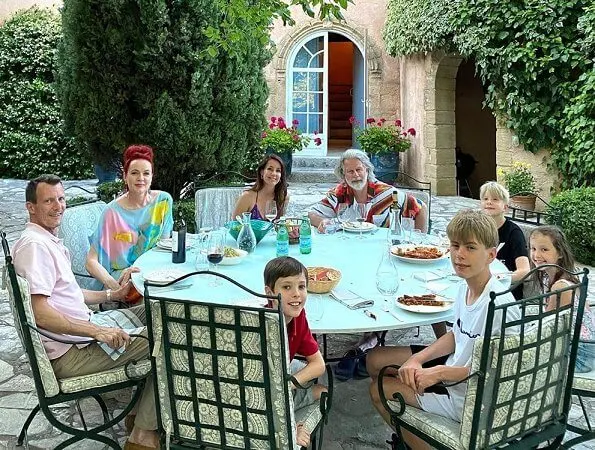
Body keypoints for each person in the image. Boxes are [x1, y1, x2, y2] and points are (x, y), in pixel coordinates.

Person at [12, 174, 158, 450]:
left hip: (80, 334)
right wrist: (99, 331)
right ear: (30, 207)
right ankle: (142, 435)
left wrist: (111, 295)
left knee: (156, 313)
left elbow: (66, 294)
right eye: (48, 201)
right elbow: (40, 313)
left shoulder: (45, 240)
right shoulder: (35, 247)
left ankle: (137, 415)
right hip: (71, 352)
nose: (58, 206)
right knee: (166, 338)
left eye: (61, 198)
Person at [367, 210, 520, 449]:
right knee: (375, 360)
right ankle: (408, 430)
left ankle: (416, 441)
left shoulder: (498, 305)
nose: (459, 254)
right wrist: (418, 359)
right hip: (455, 374)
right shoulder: (464, 288)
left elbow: (495, 371)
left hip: (470, 397)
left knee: (378, 390)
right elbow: (455, 334)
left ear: (491, 255)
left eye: (470, 248)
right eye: (456, 245)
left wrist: (437, 374)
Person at [86, 144, 173, 292]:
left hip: (152, 275)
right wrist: (113, 285)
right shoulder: (112, 212)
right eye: (134, 173)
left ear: (152, 177)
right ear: (125, 177)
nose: (141, 178)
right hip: (121, 280)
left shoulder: (163, 201)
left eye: (146, 173)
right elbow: (90, 262)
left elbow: (164, 246)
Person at [263, 256, 327, 448]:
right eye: (287, 287)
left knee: (320, 387)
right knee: (322, 392)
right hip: (262, 396)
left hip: (280, 381)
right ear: (270, 292)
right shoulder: (262, 322)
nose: (296, 294)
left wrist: (289, 384)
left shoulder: (298, 318)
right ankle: (289, 431)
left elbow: (319, 365)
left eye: (301, 286)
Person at [308, 149, 428, 233]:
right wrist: (322, 221)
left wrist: (419, 240)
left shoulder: (386, 193)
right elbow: (312, 214)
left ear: (367, 170)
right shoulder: (339, 194)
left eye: (359, 169)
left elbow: (420, 208)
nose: (356, 175)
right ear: (343, 175)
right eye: (350, 171)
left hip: (381, 250)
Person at [529, 225, 595, 373]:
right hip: (580, 344)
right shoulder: (555, 276)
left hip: (580, 354)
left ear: (560, 253)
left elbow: (549, 327)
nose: (536, 255)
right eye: (533, 249)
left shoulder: (560, 286)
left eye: (544, 250)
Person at [480, 181, 530, 299]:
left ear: (505, 207)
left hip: (505, 293)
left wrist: (498, 279)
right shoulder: (479, 228)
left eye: (495, 199)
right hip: (481, 287)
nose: (489, 202)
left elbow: (525, 271)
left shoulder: (514, 233)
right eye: (485, 198)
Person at [232, 154, 289, 221]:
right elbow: (234, 225)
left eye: (278, 170)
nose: (274, 173)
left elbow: (281, 224)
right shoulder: (247, 197)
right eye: (270, 169)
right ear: (262, 172)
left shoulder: (283, 197)